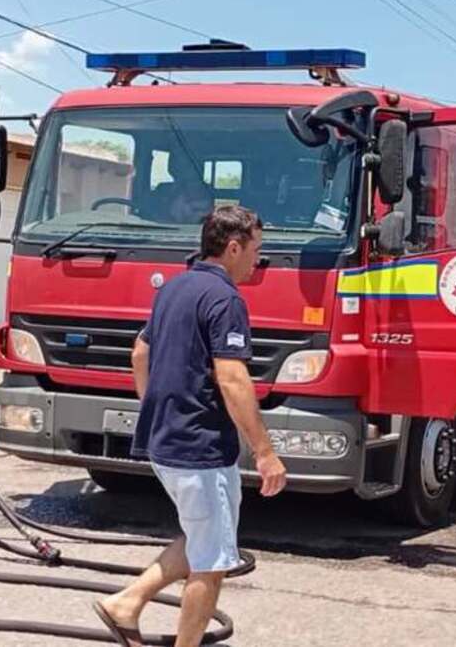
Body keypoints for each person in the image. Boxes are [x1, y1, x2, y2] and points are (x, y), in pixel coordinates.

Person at [92, 205, 287, 647]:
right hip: (199, 446)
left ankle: (127, 603)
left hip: (165, 440)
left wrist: (157, 406)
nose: (259, 259)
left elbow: (139, 354)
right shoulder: (225, 299)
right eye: (256, 249)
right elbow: (233, 378)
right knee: (212, 562)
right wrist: (264, 452)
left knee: (203, 536)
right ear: (233, 247)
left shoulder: (174, 287)